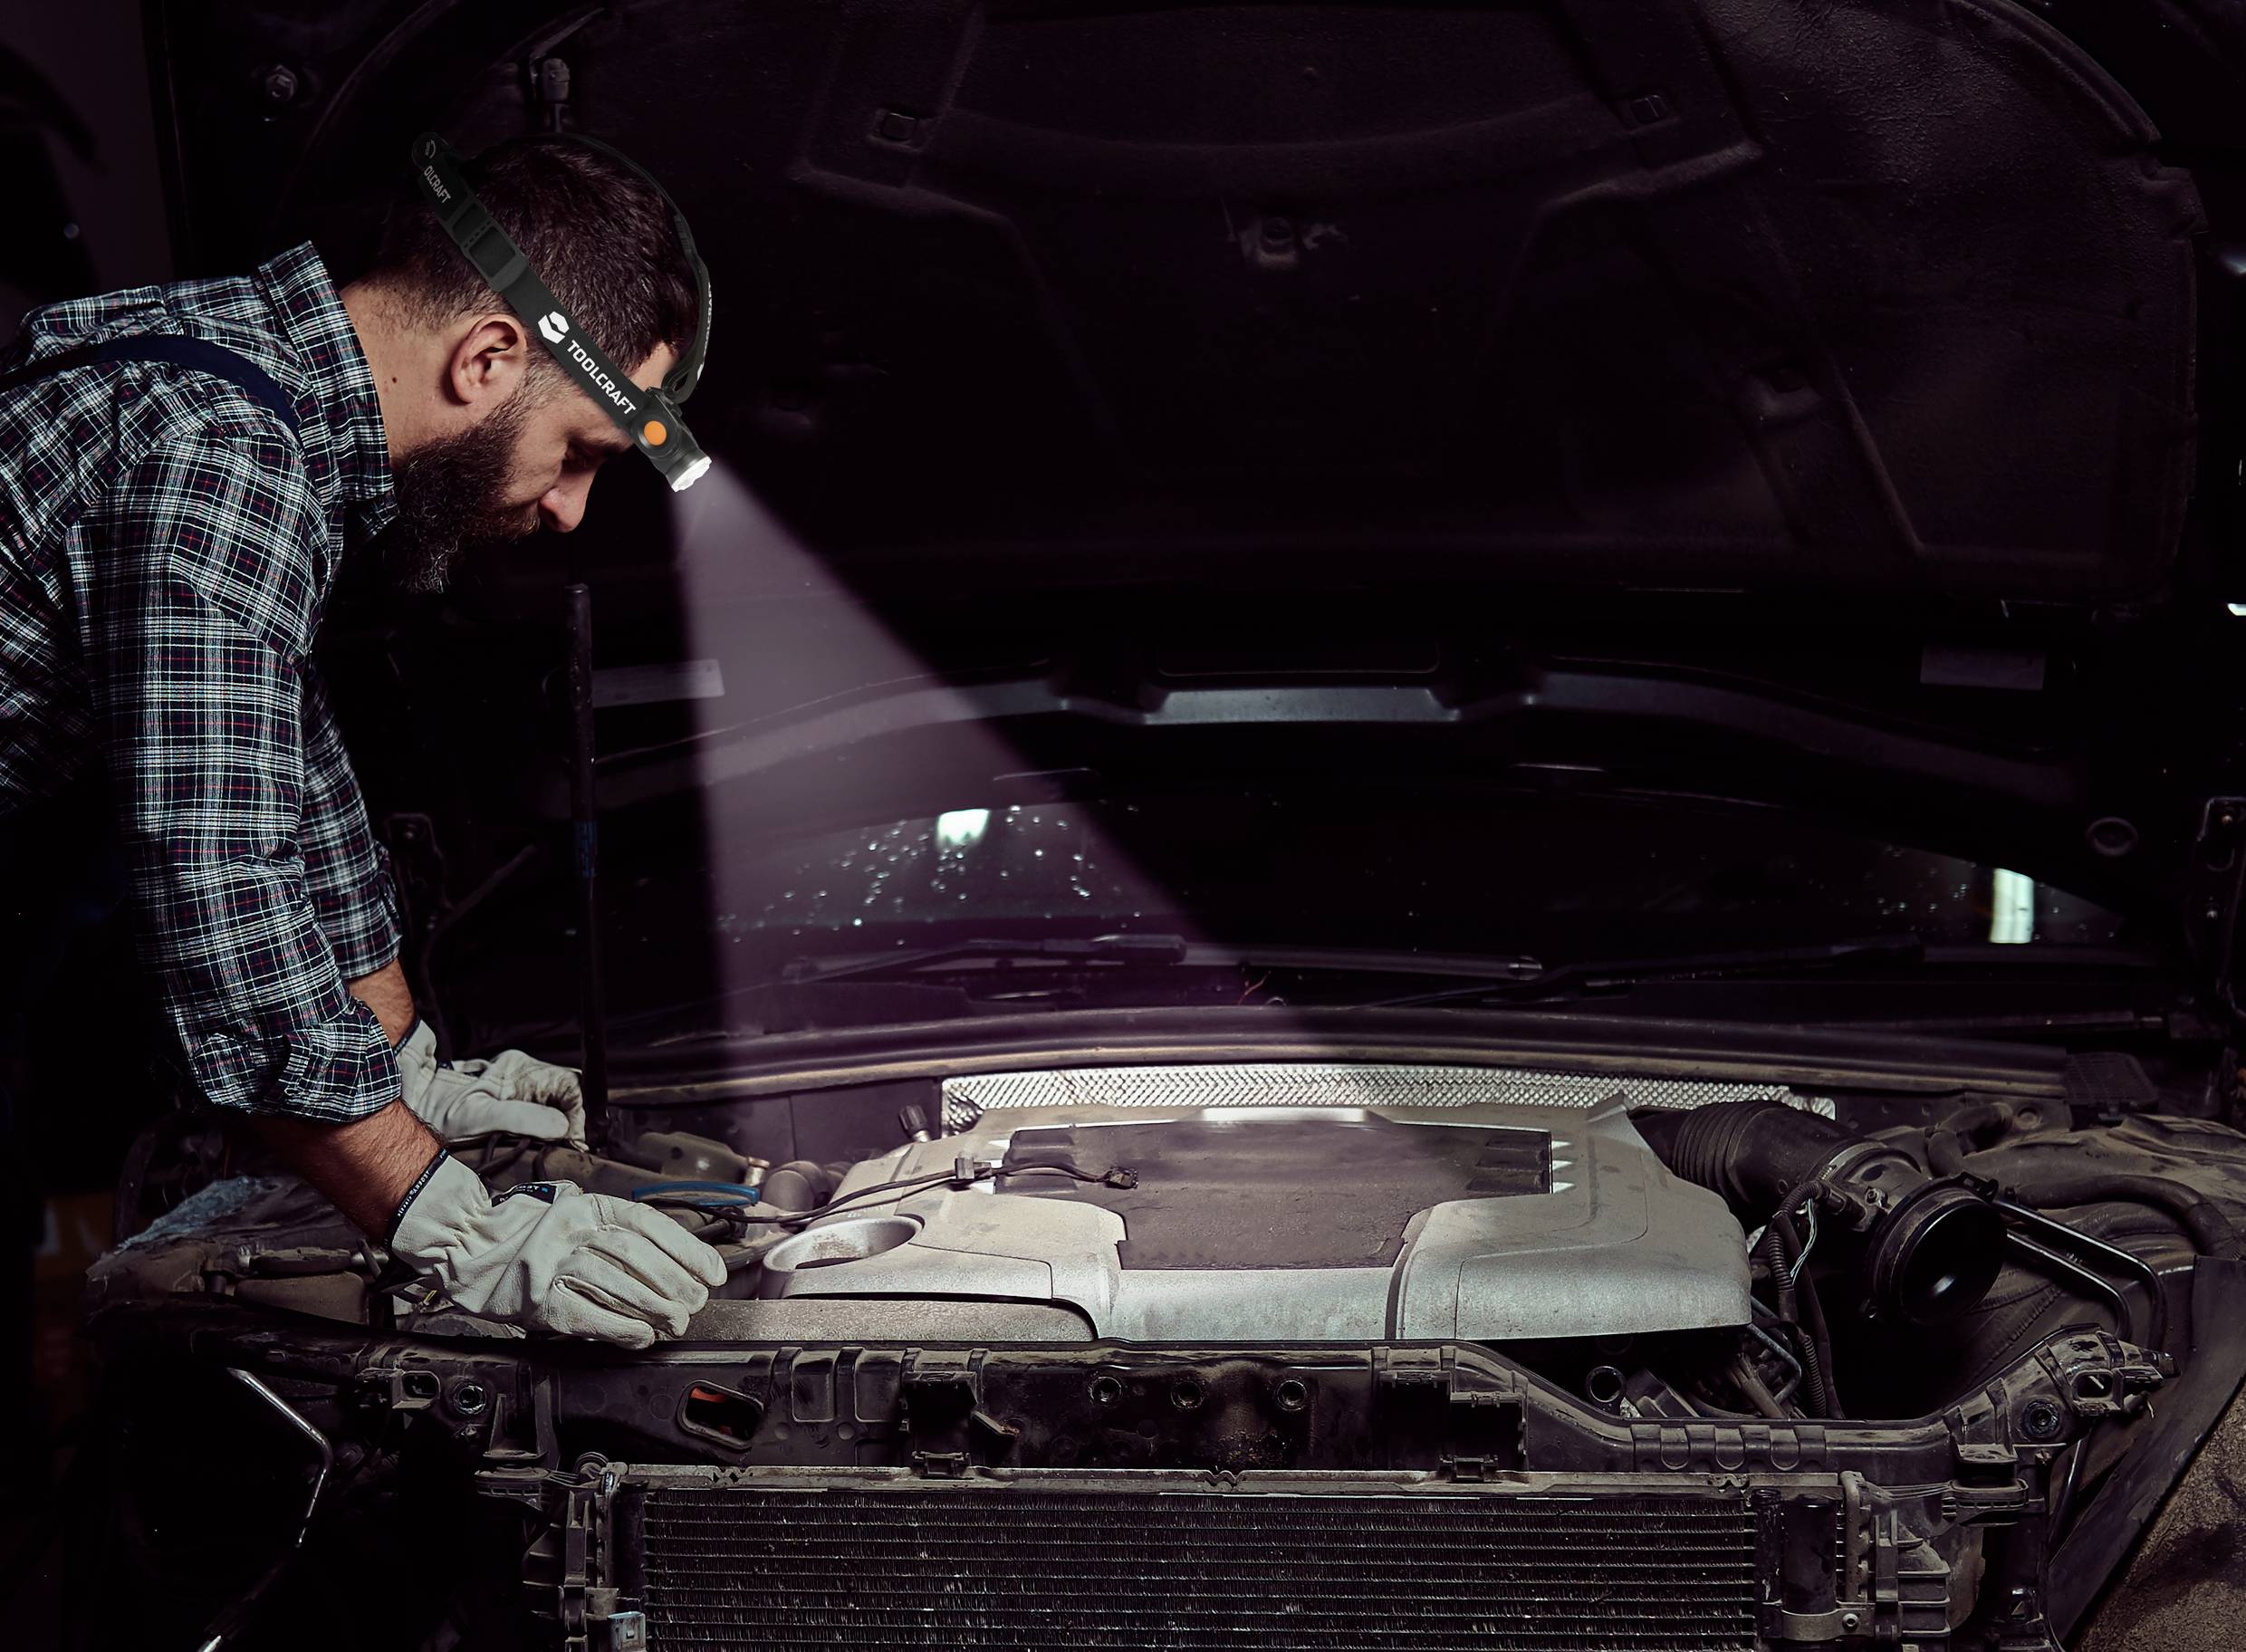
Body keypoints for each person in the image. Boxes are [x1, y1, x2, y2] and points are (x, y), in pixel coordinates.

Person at [0, 135, 726, 1349]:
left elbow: (279, 776)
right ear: (490, 355)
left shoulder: (249, 393)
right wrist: (457, 1226)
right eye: (582, 455)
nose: (566, 509)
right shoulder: (222, 455)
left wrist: (405, 1068)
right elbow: (220, 896)